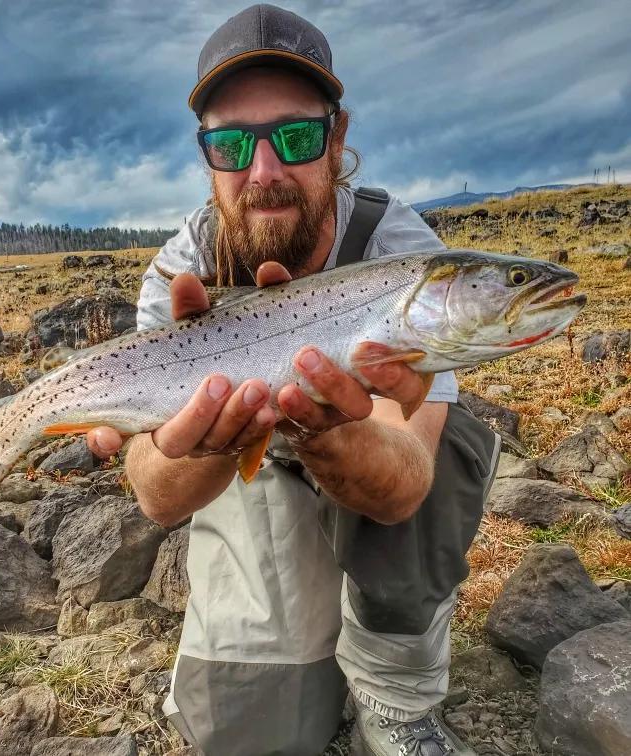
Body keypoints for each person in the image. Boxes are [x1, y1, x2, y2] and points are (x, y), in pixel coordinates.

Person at [86, 5, 500, 755]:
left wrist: (325, 430)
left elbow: (407, 482)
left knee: (447, 454)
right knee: (254, 733)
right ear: (205, 155)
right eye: (233, 144)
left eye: (297, 137)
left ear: (337, 141)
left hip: (372, 460)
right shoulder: (181, 269)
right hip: (247, 471)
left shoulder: (403, 251)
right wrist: (206, 443)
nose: (265, 171)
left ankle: (397, 691)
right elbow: (156, 493)